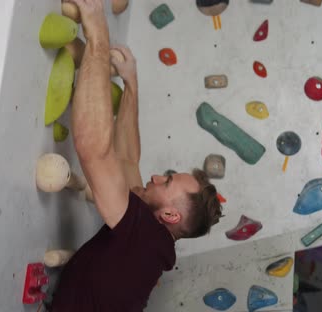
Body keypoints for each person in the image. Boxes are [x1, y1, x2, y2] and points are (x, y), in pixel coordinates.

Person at [51, 0, 223, 310]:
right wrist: (131, 83)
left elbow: (94, 149)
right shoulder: (149, 242)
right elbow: (128, 158)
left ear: (170, 215)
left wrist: (97, 32)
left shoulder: (144, 239)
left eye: (166, 181)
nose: (156, 177)